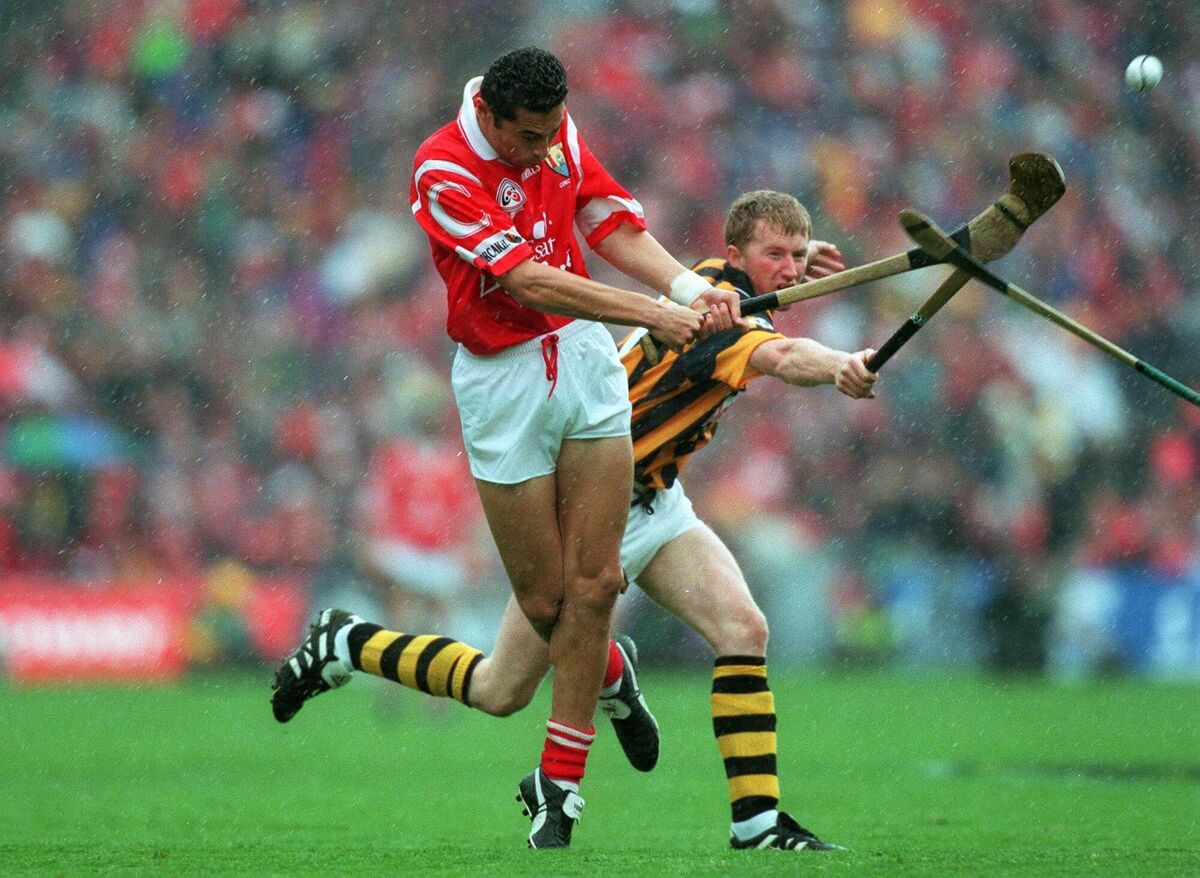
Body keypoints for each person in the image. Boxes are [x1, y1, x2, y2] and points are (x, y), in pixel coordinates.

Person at [272, 189, 877, 852]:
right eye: (775, 255)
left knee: (742, 627)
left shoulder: (705, 282)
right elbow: (784, 358)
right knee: (499, 688)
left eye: (797, 255)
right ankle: (346, 643)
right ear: (733, 255)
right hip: (589, 510)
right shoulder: (727, 327)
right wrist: (842, 366)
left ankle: (757, 822)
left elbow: (763, 307)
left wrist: (792, 263)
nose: (789, 270)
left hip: (656, 501)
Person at [269, 46, 744, 850]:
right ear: (489, 113)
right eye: (527, 138)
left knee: (596, 584)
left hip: (585, 362)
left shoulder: (553, 128)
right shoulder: (440, 168)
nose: (542, 150)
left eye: (552, 133)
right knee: (546, 611)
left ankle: (557, 794)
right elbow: (528, 280)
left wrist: (692, 289)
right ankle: (605, 674)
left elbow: (607, 220)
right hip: (503, 385)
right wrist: (652, 314)